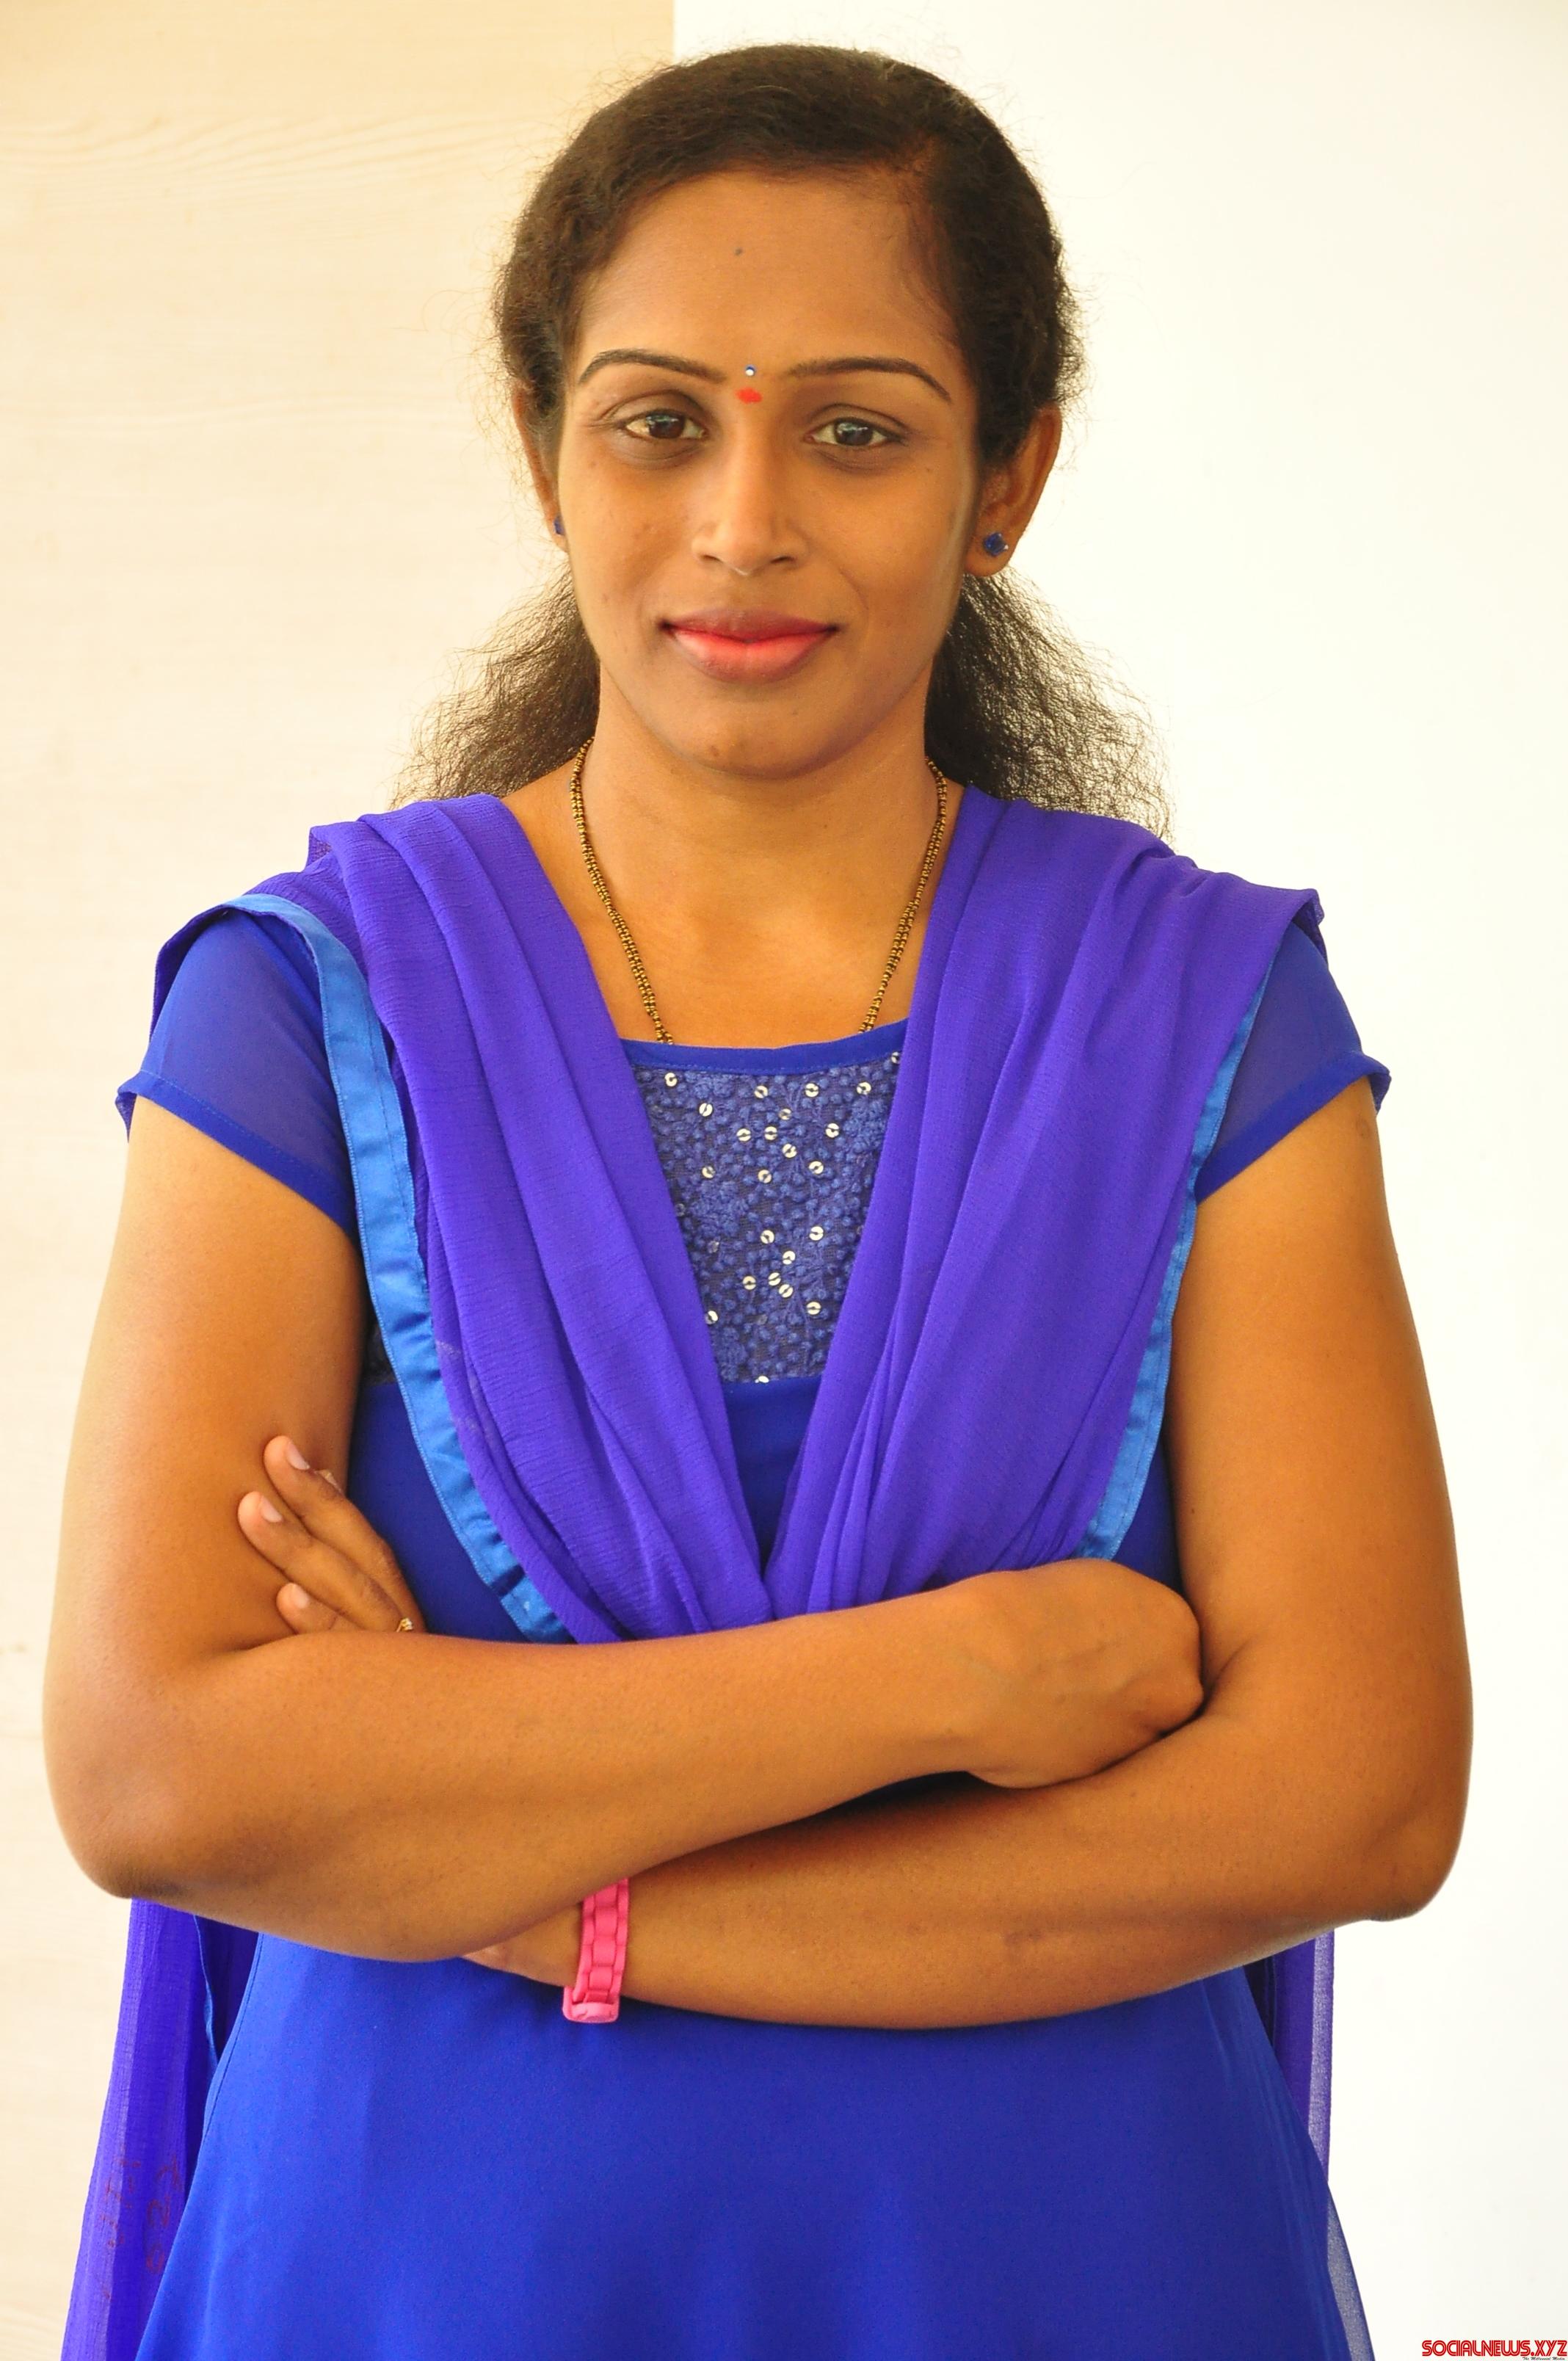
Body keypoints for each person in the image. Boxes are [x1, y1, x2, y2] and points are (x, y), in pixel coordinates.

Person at [46, 43, 1470, 2361]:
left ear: (1007, 481)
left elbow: (1355, 1801)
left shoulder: (1206, 1013)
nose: (744, 520)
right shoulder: (307, 1006)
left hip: (1071, 2280)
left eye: (859, 430)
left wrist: (524, 1884)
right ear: (545, 451)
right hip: (425, 2282)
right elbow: (152, 1768)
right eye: (656, 423)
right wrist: (955, 1679)